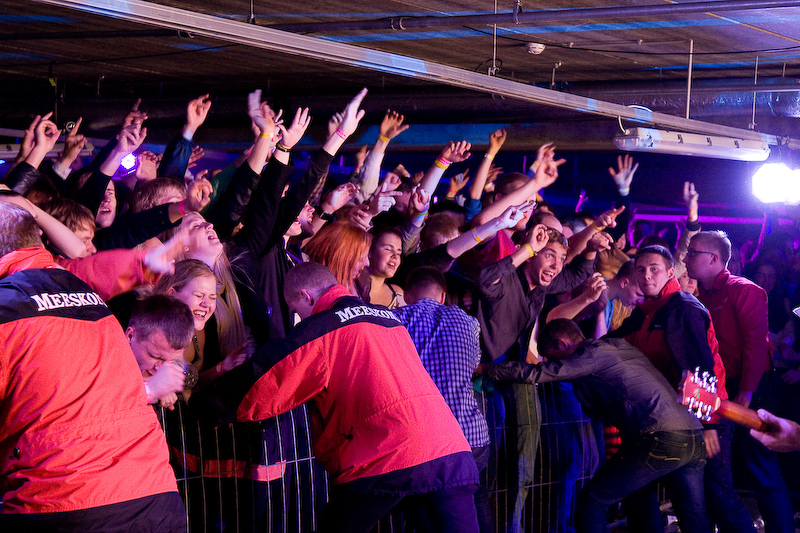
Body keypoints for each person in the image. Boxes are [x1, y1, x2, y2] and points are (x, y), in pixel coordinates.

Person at [191, 262, 480, 532]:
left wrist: (204, 405)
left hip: (385, 455)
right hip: (449, 450)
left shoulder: (324, 327)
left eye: (297, 311)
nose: (300, 319)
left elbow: (268, 380)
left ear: (305, 297)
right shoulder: (388, 319)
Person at [0, 202, 185, 532]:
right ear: (36, 238)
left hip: (64, 500)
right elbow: (95, 269)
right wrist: (144, 264)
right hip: (154, 493)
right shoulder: (77, 285)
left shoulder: (6, 310)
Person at [481, 319, 709, 533]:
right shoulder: (616, 346)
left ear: (562, 344)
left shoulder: (588, 356)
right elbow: (598, 412)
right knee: (689, 517)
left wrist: (485, 369)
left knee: (592, 501)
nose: (552, 363)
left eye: (551, 357)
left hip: (660, 436)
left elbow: (536, 373)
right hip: (692, 433)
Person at [610, 244, 754, 533]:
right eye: (641, 270)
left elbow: (700, 368)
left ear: (670, 273)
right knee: (666, 500)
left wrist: (709, 425)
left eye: (654, 269)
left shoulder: (681, 308)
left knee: (718, 498)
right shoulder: (648, 311)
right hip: (673, 422)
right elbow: (612, 342)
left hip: (702, 421)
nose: (646, 276)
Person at [685, 230, 794, 533]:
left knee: (762, 466)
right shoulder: (701, 296)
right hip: (720, 388)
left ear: (714, 259)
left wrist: (746, 393)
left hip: (751, 388)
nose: (686, 258)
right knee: (720, 469)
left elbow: (756, 345)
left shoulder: (744, 290)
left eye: (693, 253)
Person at [392, 266, 493, 532]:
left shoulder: (395, 321)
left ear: (406, 295)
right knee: (475, 498)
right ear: (443, 295)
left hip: (424, 441)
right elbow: (473, 364)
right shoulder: (468, 322)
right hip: (471, 437)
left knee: (426, 507)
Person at [126, 294, 195, 409]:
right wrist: (149, 390)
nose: (162, 370)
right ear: (130, 336)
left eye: (171, 360)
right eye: (155, 357)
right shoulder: (102, 356)